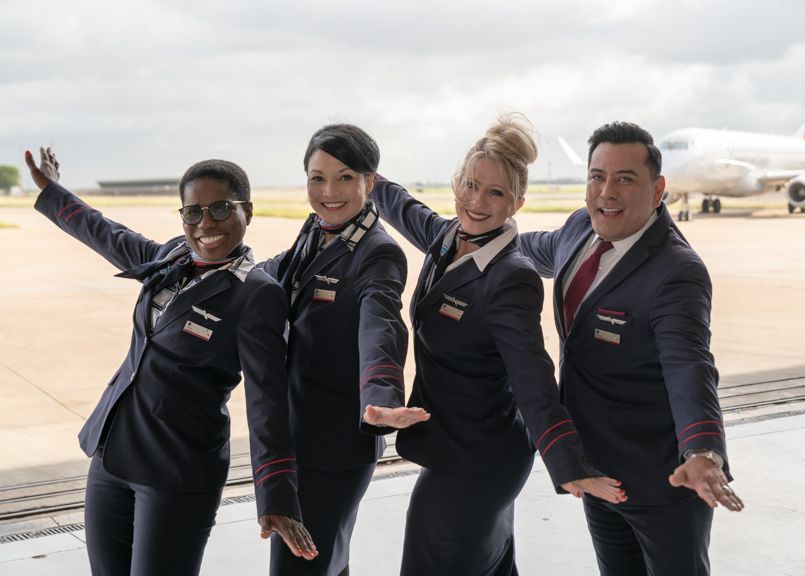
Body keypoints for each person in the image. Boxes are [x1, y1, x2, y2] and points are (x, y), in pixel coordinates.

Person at [25, 148, 316, 576]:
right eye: (193, 212)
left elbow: (266, 401)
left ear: (247, 211)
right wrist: (52, 189)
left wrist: (276, 495)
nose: (206, 224)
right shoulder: (172, 257)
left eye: (220, 208)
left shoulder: (256, 293)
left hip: (175, 469)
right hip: (112, 454)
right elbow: (106, 233)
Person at [370, 114, 625, 576]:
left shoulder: (512, 276)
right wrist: (359, 165)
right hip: (457, 449)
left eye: (495, 192)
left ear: (517, 202)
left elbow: (532, 377)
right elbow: (403, 206)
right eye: (470, 185)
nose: (476, 201)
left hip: (480, 460)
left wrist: (567, 462)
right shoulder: (449, 238)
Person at [516, 122, 744, 576]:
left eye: (624, 179)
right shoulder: (580, 229)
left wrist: (702, 451)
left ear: (657, 189)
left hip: (663, 478)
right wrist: (466, 232)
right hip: (599, 471)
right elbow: (519, 247)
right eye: (597, 176)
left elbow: (689, 365)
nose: (606, 191)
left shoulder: (676, 272)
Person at [259, 124, 428, 576]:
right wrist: (216, 270)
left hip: (334, 445)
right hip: (300, 431)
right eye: (317, 178)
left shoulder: (378, 253)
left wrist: (381, 397)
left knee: (304, 565)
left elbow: (382, 326)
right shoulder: (318, 229)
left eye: (345, 177)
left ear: (370, 182)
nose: (329, 192)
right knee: (326, 562)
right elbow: (277, 271)